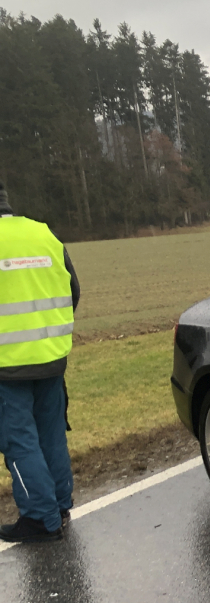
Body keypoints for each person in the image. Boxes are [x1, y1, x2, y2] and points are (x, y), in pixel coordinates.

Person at [0, 182, 79, 542]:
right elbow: (72, 290)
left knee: (19, 441)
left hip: (7, 365)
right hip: (50, 358)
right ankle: (60, 506)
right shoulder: (42, 233)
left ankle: (40, 518)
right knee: (50, 435)